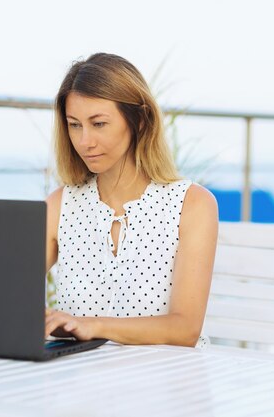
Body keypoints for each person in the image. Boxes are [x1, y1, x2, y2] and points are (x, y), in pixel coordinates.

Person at [44, 53, 218, 347]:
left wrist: (92, 326)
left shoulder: (192, 204)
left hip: (167, 381)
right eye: (75, 125)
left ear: (139, 120)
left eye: (98, 124)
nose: (85, 141)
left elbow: (185, 328)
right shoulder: (60, 205)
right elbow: (5, 292)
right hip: (80, 384)